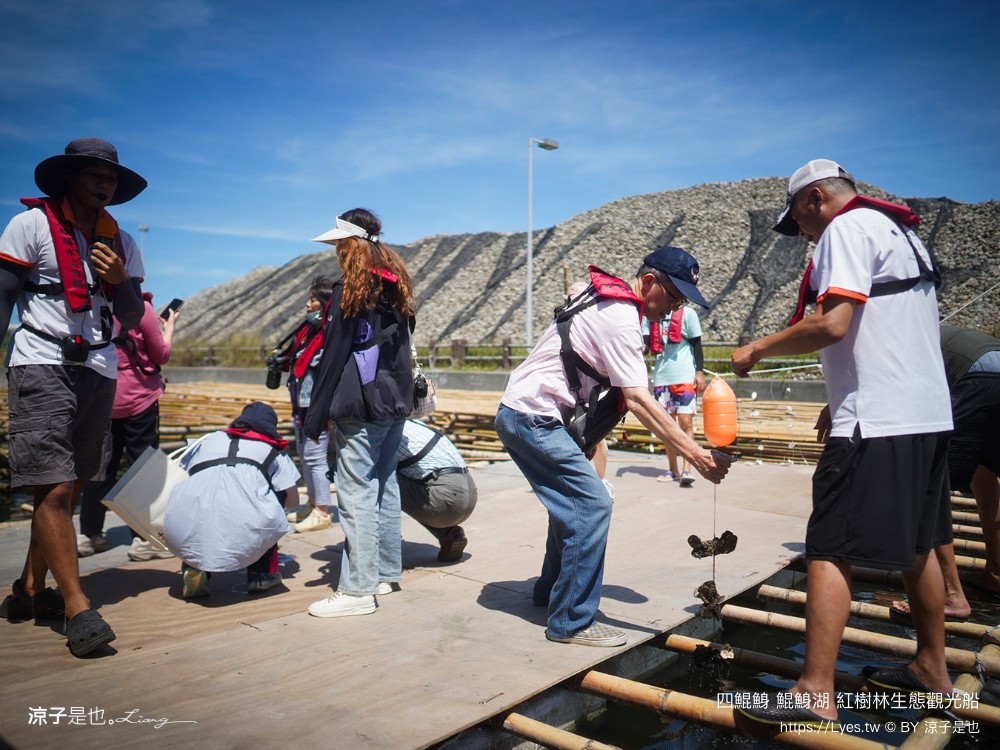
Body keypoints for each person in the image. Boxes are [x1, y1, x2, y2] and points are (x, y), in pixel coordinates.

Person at [731, 159, 953, 727]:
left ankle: (813, 691)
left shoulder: (844, 230)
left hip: (876, 421)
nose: (802, 235)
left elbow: (833, 324)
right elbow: (891, 328)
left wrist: (757, 348)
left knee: (829, 544)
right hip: (925, 415)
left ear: (814, 200)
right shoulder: (899, 231)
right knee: (921, 541)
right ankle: (932, 667)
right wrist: (842, 391)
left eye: (799, 222)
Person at [495, 247, 731, 648]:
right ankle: (571, 621)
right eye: (674, 297)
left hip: (526, 412)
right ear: (651, 282)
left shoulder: (607, 300)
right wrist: (697, 455)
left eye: (682, 303)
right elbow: (639, 400)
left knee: (573, 505)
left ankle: (548, 593)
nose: (674, 309)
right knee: (592, 505)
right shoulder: (622, 317)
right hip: (533, 416)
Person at [0, 138, 146, 656]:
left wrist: (118, 280)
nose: (104, 183)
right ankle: (77, 607)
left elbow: (131, 318)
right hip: (42, 363)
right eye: (93, 174)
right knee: (54, 486)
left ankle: (27, 591)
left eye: (110, 177)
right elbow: (3, 298)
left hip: (100, 367)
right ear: (69, 178)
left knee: (70, 485)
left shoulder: (122, 242)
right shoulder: (29, 226)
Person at [304, 208, 416, 618]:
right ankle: (385, 574)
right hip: (395, 399)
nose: (335, 251)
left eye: (337, 244)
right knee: (384, 484)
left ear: (349, 244)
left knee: (356, 493)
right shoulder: (395, 283)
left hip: (361, 403)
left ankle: (357, 591)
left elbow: (334, 353)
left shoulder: (348, 288)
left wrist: (316, 413)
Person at [891, 326, 1000, 619]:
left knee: (927, 489)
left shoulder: (889, 336)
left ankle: (950, 595)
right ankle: (996, 573)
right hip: (993, 365)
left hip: (974, 377)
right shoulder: (922, 325)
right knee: (986, 476)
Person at [76, 291, 178, 561]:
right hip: (139, 399)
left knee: (100, 467)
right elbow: (162, 354)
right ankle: (143, 539)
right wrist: (169, 329)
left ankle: (89, 535)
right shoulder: (139, 308)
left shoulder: (93, 304)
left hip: (103, 396)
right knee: (142, 468)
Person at [162, 402, 300, 598]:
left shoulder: (206, 440)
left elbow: (183, 473)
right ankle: (260, 575)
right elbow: (293, 502)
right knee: (274, 494)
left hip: (183, 523)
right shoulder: (273, 451)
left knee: (206, 495)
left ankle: (194, 569)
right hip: (245, 518)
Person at [280, 275, 337, 533]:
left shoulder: (330, 333)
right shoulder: (308, 331)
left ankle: (323, 511)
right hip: (301, 403)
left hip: (315, 404)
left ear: (325, 304)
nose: (307, 304)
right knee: (304, 456)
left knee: (315, 458)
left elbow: (327, 370)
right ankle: (312, 503)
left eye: (312, 299)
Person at [396, 418, 477, 562]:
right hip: (469, 493)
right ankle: (448, 533)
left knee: (378, 477)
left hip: (445, 499)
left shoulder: (389, 431)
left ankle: (385, 541)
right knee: (419, 484)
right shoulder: (415, 424)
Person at [643, 304, 705, 486]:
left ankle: (688, 468)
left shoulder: (688, 314)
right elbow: (645, 345)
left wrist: (699, 372)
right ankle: (673, 469)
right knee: (667, 426)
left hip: (684, 376)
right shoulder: (650, 315)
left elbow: (697, 345)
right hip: (661, 378)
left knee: (686, 423)